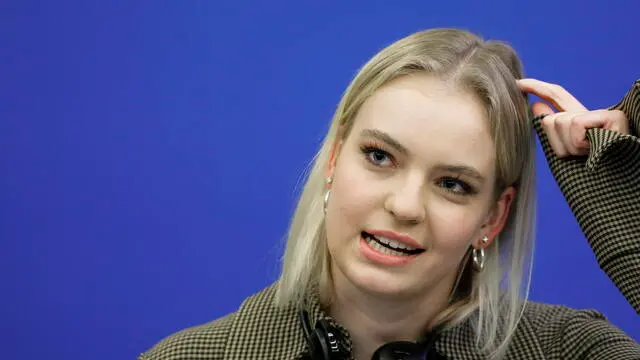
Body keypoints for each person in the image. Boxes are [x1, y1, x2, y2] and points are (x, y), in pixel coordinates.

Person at [139, 28, 640, 359]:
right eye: (380, 156)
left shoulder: (574, 351)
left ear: (492, 218)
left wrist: (627, 218)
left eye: (453, 184)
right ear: (334, 159)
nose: (404, 206)